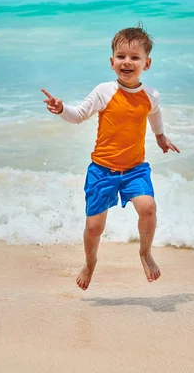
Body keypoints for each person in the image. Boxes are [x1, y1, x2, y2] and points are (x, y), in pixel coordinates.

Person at [41, 23, 180, 290]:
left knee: (148, 207)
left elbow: (154, 113)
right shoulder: (105, 91)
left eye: (134, 57)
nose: (127, 62)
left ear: (146, 64)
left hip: (135, 169)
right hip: (102, 170)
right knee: (94, 228)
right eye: (121, 57)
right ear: (111, 61)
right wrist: (61, 109)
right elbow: (78, 115)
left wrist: (160, 136)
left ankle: (145, 252)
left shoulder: (150, 96)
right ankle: (90, 261)